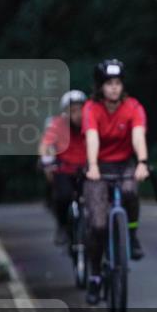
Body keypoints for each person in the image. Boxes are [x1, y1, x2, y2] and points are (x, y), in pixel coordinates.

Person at [82, 59, 150, 305]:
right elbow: (92, 138)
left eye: (117, 83)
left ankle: (131, 236)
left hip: (125, 165)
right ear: (100, 86)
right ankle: (96, 276)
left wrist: (142, 162)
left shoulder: (133, 107)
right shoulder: (91, 108)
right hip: (98, 167)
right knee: (98, 225)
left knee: (131, 192)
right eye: (108, 84)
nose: (113, 88)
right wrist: (92, 166)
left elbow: (138, 136)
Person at [38, 90, 88, 245]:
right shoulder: (58, 124)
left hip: (87, 170)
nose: (78, 114)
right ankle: (62, 226)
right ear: (66, 112)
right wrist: (46, 161)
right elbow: (45, 145)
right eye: (73, 111)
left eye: (81, 109)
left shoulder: (90, 124)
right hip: (65, 169)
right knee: (63, 196)